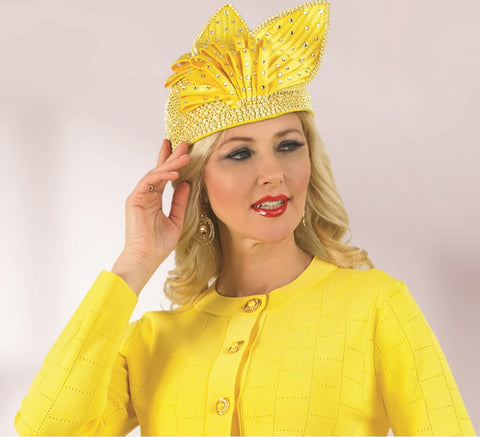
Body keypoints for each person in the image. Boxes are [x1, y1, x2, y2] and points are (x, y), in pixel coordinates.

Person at [14, 1, 475, 436]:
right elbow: (46, 427)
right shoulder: (153, 342)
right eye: (239, 154)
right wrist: (134, 262)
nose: (273, 173)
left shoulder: (375, 305)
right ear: (197, 181)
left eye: (288, 145)